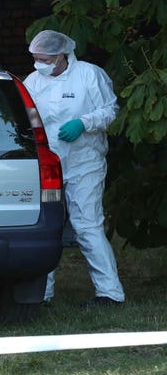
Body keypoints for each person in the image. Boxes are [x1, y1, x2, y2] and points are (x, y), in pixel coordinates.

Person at [23, 30, 125, 308]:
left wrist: (84, 122)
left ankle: (110, 293)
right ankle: (41, 293)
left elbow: (110, 110)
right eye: (35, 59)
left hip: (84, 161)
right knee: (46, 225)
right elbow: (26, 117)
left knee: (87, 224)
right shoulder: (33, 81)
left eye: (43, 59)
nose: (38, 64)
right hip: (48, 164)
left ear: (61, 57)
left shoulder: (90, 75)